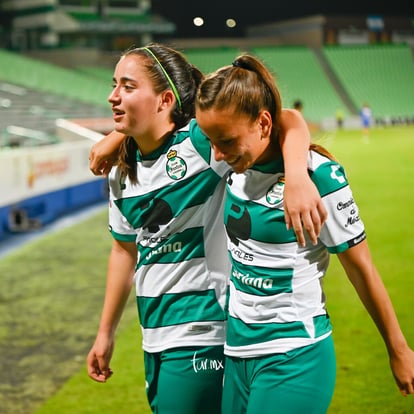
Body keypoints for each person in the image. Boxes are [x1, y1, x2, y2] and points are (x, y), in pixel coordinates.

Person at [86, 43, 327, 414]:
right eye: (115, 84)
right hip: (155, 335)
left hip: (203, 330)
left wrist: (296, 175)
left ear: (165, 98)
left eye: (128, 86)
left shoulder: (201, 146)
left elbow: (286, 118)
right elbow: (124, 250)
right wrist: (105, 333)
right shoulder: (121, 173)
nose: (112, 96)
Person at [195, 53, 414, 414]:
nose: (216, 153)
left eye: (227, 142)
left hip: (293, 354)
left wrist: (398, 349)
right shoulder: (232, 154)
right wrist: (116, 140)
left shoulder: (320, 178)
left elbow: (361, 268)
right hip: (236, 354)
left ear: (263, 124)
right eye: (211, 140)